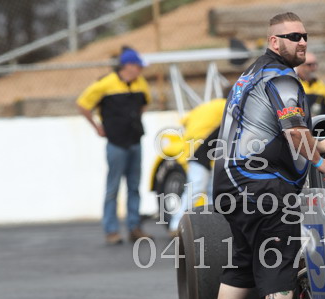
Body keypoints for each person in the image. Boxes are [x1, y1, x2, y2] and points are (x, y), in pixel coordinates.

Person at [201, 12, 325, 299]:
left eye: (304, 36)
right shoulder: (282, 78)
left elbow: (268, 129)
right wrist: (322, 164)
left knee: (246, 260)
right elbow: (294, 132)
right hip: (260, 184)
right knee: (279, 254)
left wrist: (320, 145)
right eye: (293, 37)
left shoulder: (252, 73)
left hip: (231, 183)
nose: (302, 42)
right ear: (274, 41)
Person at [77, 46, 152, 244]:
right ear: (128, 66)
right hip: (116, 143)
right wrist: (97, 127)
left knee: (134, 187)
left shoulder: (140, 83)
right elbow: (83, 104)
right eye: (138, 67)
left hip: (135, 141)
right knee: (113, 188)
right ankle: (111, 230)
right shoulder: (105, 84)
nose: (140, 70)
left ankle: (134, 227)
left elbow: (145, 102)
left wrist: (135, 121)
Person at [168, 97, 226, 233]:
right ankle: (176, 225)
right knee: (196, 190)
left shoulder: (211, 106)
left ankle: (211, 226)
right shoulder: (228, 106)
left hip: (199, 152)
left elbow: (185, 121)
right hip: (202, 157)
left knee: (207, 191)